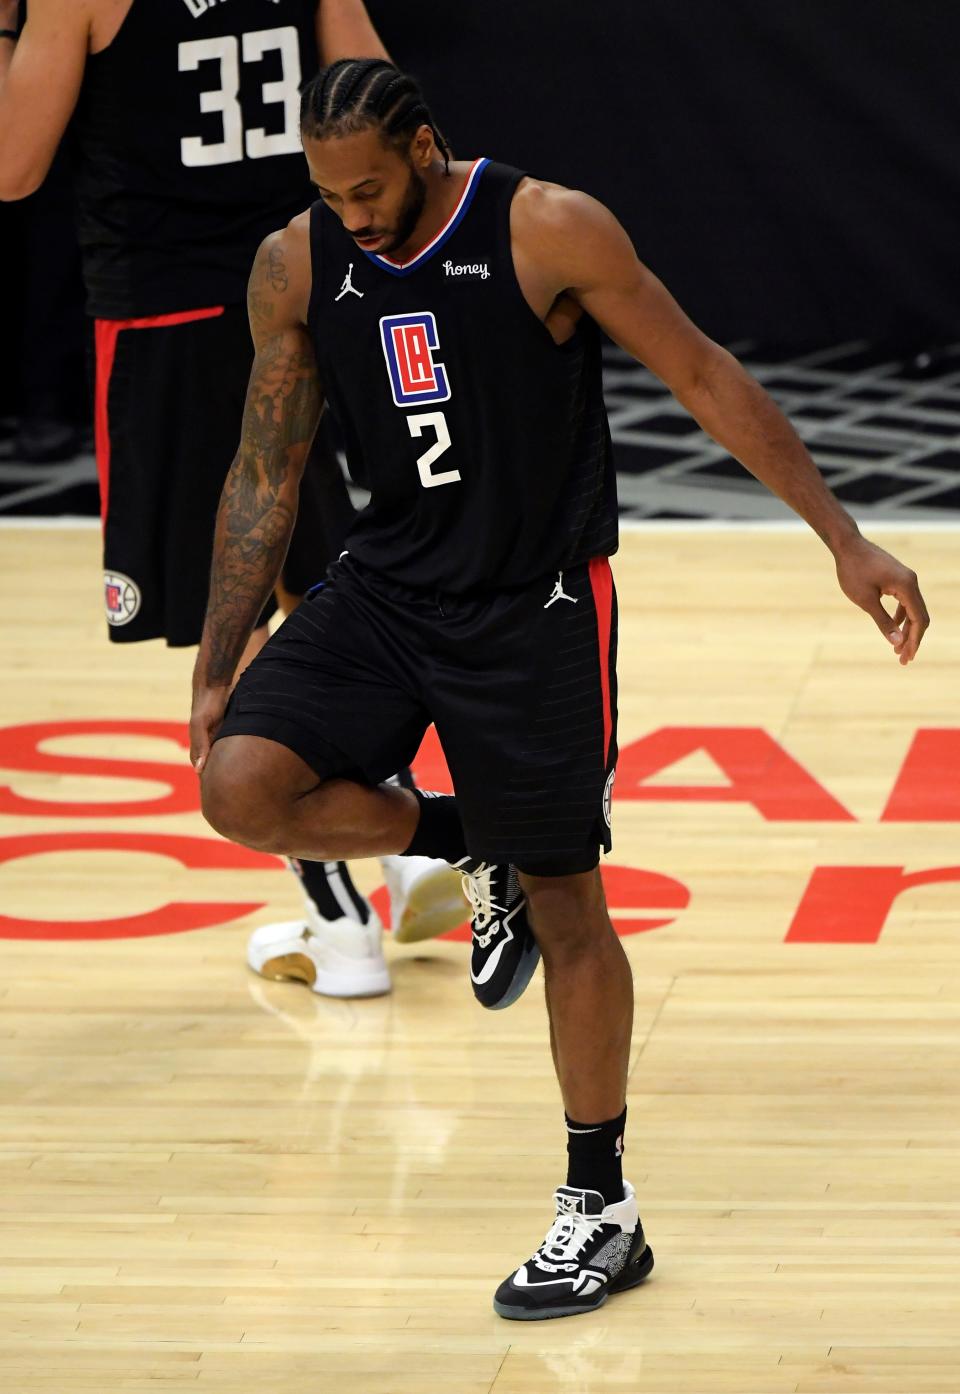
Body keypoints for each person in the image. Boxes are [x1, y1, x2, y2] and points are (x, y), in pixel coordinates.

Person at [192, 57, 929, 1319]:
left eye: (369, 188)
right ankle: (467, 838)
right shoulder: (297, 262)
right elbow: (269, 463)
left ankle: (603, 1206)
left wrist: (844, 537)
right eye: (329, 193)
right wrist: (217, 666)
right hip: (387, 589)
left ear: (423, 146)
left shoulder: (547, 228)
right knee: (242, 786)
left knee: (570, 905)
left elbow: (702, 375)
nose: (352, 216)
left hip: (533, 608)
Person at [0, 3, 466, 992]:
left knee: (236, 616)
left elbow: (11, 164)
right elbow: (397, 113)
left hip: (170, 320)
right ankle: (406, 838)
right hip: (310, 286)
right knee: (326, 583)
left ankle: (338, 924)